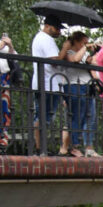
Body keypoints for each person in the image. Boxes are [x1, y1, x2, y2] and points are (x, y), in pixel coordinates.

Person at [31, 14, 71, 154]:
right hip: (46, 84)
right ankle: (39, 148)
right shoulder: (46, 39)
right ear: (48, 26)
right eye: (57, 28)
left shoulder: (41, 38)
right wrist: (65, 47)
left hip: (47, 83)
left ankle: (40, 148)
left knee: (46, 117)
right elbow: (54, 61)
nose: (59, 32)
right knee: (43, 116)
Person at [59, 31, 96, 157]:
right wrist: (85, 48)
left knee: (87, 116)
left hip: (86, 87)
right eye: (83, 42)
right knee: (76, 116)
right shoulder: (68, 52)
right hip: (74, 86)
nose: (86, 44)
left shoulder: (84, 52)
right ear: (76, 41)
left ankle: (80, 145)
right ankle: (73, 146)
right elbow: (75, 59)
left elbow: (91, 62)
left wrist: (95, 52)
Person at [0, 18, 14, 153]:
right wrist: (0, 46)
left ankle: (2, 139)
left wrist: (10, 46)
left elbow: (15, 57)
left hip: (4, 77)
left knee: (4, 109)